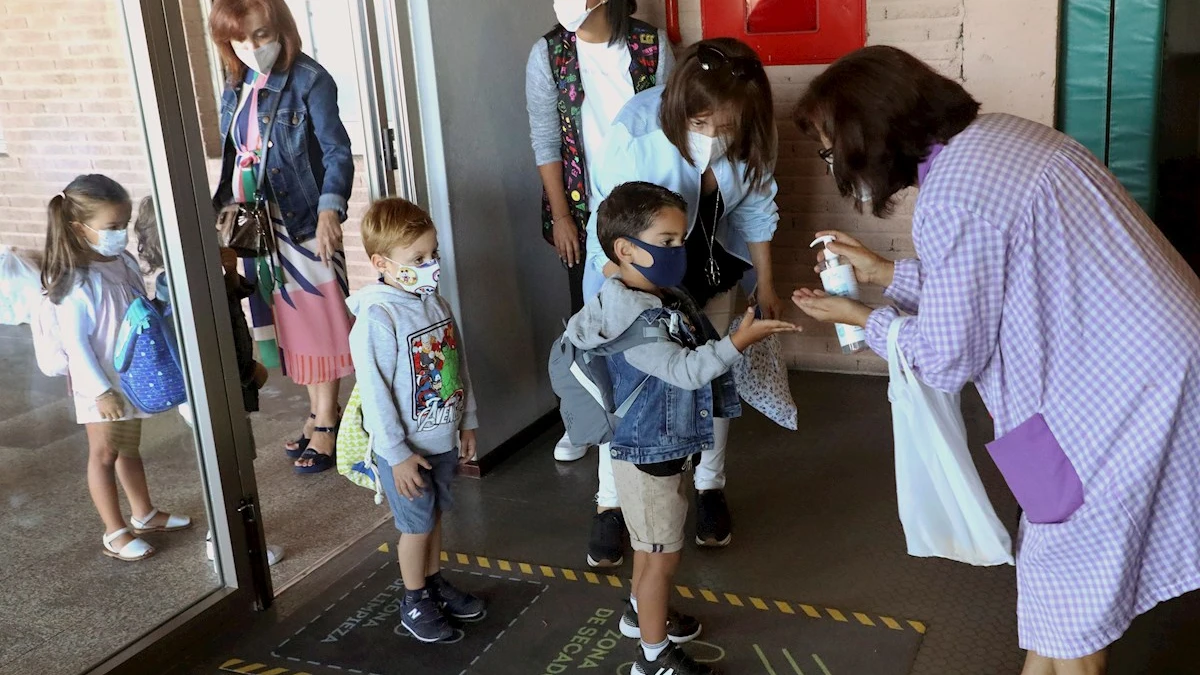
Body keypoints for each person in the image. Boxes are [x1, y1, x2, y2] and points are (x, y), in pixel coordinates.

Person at [790, 45, 1200, 675]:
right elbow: (993, 283)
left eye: (830, 146)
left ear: (868, 132)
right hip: (1130, 360)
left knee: (1072, 582)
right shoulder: (998, 139)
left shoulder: (953, 196)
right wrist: (882, 273)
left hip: (1117, 389)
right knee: (1052, 580)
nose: (833, 162)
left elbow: (949, 356)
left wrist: (862, 319)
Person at [567, 182, 797, 675]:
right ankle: (653, 659)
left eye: (681, 239)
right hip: (647, 454)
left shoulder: (639, 289)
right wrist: (740, 340)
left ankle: (640, 614)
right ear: (627, 250)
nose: (680, 250)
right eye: (667, 242)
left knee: (655, 550)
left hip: (658, 447)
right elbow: (687, 370)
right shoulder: (638, 319)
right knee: (658, 560)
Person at [580, 38, 781, 564]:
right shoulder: (636, 132)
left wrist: (768, 280)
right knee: (625, 393)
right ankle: (609, 502)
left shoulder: (754, 131)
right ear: (678, 104)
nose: (714, 136)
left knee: (713, 377)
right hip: (637, 277)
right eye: (702, 121)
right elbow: (615, 234)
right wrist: (633, 307)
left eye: (727, 126)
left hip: (708, 269)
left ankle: (710, 486)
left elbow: (758, 207)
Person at [525, 0, 675, 463]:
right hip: (584, 209)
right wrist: (563, 216)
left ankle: (657, 413)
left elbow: (671, 125)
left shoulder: (650, 46)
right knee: (589, 317)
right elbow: (546, 138)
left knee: (652, 313)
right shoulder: (549, 54)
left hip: (648, 207)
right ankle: (586, 420)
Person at [209, 0, 354, 474]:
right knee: (288, 321)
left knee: (318, 316)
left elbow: (337, 152)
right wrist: (220, 212)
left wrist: (331, 209)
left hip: (302, 220)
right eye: (240, 39)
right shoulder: (236, 83)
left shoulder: (312, 80)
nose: (251, 48)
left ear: (281, 30)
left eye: (261, 36)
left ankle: (328, 420)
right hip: (259, 223)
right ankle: (315, 413)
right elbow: (234, 157)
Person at [347, 198, 485, 643]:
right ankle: (413, 598)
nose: (431, 265)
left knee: (435, 515)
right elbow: (376, 394)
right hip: (403, 450)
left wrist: (467, 420)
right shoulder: (377, 316)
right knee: (415, 524)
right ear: (380, 263)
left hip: (442, 434)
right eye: (418, 259)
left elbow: (456, 366)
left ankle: (432, 581)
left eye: (434, 254)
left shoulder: (435, 302)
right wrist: (397, 454)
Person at [41, 175, 192, 562]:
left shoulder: (121, 261)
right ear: (79, 228)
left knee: (128, 448)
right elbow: (75, 343)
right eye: (111, 227)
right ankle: (114, 530)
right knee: (104, 453)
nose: (120, 234)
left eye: (123, 225)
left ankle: (144, 513)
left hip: (128, 377)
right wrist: (99, 391)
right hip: (101, 385)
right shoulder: (75, 281)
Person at [132, 196, 285, 567]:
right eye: (208, 226)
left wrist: (230, 274)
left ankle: (230, 536)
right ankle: (226, 543)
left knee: (236, 459)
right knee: (226, 464)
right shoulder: (180, 284)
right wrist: (246, 373)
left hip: (226, 383)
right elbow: (208, 345)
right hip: (210, 391)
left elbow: (231, 316)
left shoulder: (202, 273)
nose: (217, 231)